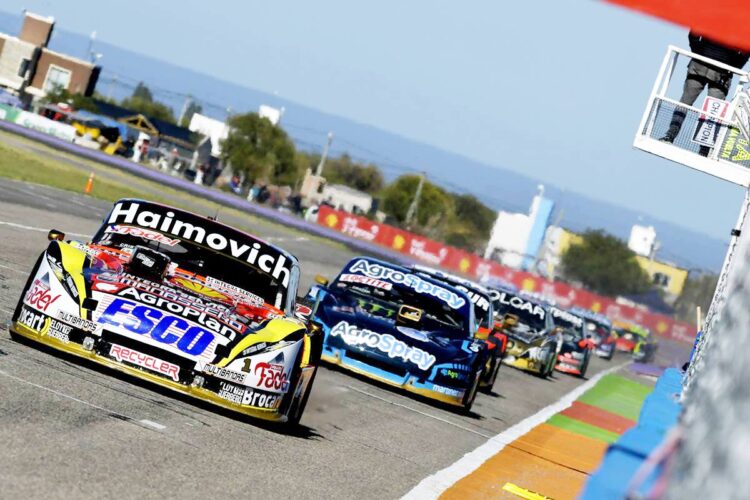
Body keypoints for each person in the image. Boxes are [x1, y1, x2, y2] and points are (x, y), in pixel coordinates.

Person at [661, 31, 750, 144]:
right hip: (717, 72)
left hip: (705, 68)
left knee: (691, 105)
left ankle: (671, 136)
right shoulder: (743, 25)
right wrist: (731, 65)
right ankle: (703, 149)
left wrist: (699, 53)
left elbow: (694, 33)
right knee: (713, 111)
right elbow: (746, 50)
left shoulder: (714, 15)